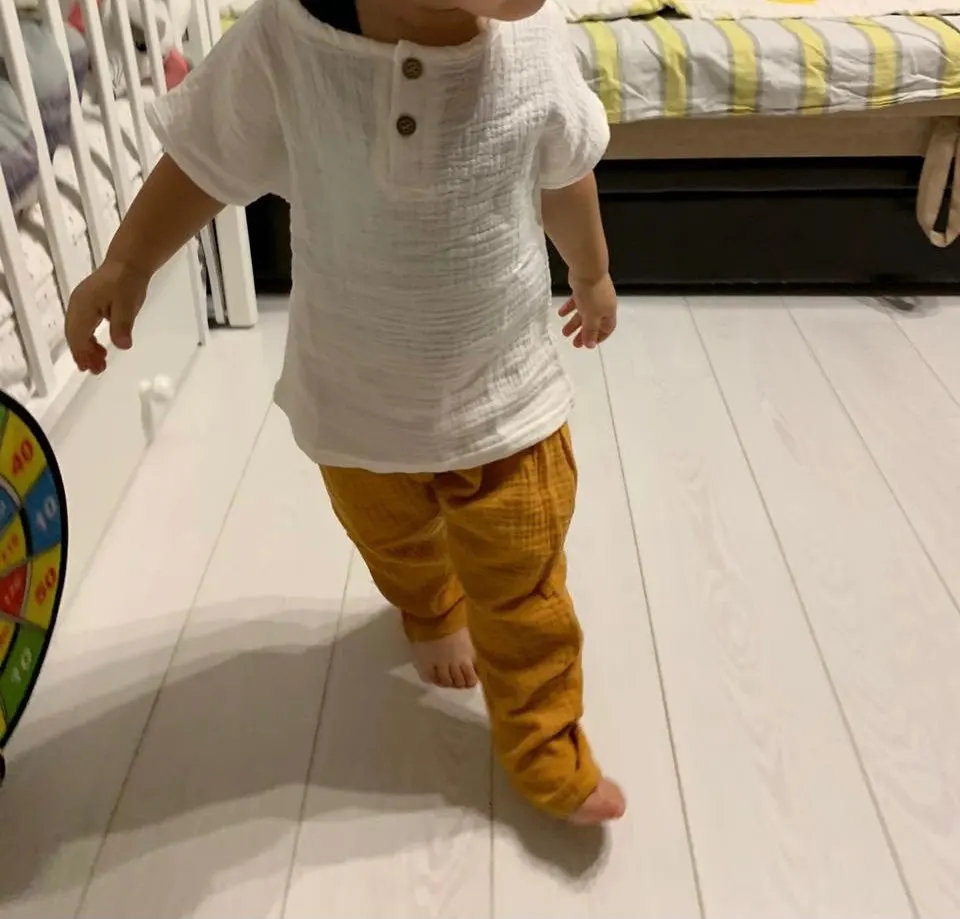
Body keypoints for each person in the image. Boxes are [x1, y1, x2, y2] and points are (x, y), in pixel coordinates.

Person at [65, 0, 625, 825]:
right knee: (395, 543)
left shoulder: (536, 42)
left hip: (506, 396)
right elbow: (205, 159)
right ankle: (429, 607)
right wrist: (129, 259)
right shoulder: (286, 42)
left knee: (524, 579)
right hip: (356, 402)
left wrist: (592, 273)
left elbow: (564, 172)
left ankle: (544, 737)